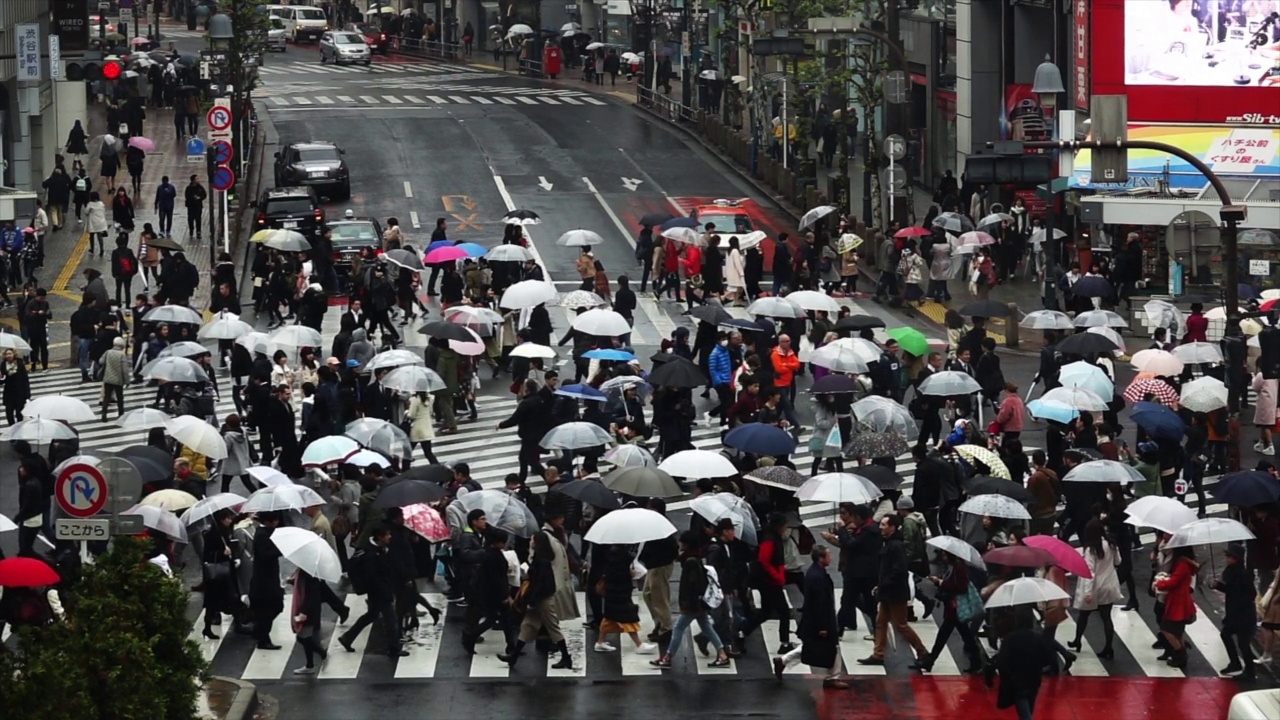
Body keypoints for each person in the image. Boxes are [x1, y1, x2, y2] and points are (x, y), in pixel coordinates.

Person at [650, 531, 731, 669]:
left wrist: (690, 605)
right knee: (707, 627)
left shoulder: (690, 562)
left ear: (686, 544)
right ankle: (722, 654)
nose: (679, 544)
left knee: (678, 628)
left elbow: (692, 585)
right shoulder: (693, 558)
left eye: (681, 542)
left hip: (693, 604)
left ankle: (668, 658)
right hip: (698, 604)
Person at [858, 514, 930, 668]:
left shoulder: (895, 546)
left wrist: (883, 584)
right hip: (888, 593)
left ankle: (922, 652)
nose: (880, 527)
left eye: (884, 525)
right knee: (880, 622)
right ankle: (878, 654)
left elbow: (899, 571)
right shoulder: (889, 543)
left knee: (901, 625)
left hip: (895, 594)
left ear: (892, 527)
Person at [771, 545, 846, 688]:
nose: (831, 558)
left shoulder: (815, 573)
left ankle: (783, 661)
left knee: (810, 647)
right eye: (828, 555)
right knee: (833, 646)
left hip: (816, 620)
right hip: (820, 620)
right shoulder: (817, 577)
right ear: (820, 558)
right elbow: (819, 603)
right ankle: (832, 678)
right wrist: (823, 626)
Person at [499, 530, 574, 669]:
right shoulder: (539, 559)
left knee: (553, 628)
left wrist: (532, 601)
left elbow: (541, 584)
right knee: (527, 626)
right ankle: (514, 656)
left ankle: (566, 657)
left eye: (532, 539)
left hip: (543, 600)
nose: (530, 542)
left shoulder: (543, 561)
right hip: (538, 599)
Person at [339, 524, 408, 658]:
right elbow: (373, 576)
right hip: (379, 592)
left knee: (371, 615)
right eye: (387, 534)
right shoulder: (372, 554)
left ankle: (347, 638)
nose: (390, 536)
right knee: (390, 619)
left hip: (378, 591)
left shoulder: (380, 549)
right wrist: (386, 590)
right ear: (379, 537)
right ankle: (393, 649)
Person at [984, 612, 1055, 720]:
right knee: (1029, 708)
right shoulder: (1036, 637)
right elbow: (1046, 657)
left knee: (1024, 711)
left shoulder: (1010, 639)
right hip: (1034, 679)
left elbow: (1002, 661)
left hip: (1017, 682)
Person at [1069, 518, 1122, 660]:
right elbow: (1118, 561)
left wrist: (1087, 592)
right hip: (1109, 583)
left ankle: (1077, 639)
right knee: (1106, 617)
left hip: (1094, 586)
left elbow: (1090, 572)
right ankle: (1108, 647)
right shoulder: (1111, 544)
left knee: (1084, 615)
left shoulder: (1091, 549)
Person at [1214, 543, 1257, 679]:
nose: (1227, 559)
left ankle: (1249, 671)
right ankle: (1235, 663)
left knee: (1243, 643)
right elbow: (1230, 590)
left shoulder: (1243, 574)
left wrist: (1239, 603)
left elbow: (1250, 594)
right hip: (1234, 612)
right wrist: (1218, 586)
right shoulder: (1231, 571)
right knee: (1226, 635)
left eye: (1229, 557)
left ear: (1237, 558)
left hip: (1243, 614)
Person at [200, 510, 245, 639]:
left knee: (234, 597)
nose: (230, 520)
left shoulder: (225, 532)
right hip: (216, 575)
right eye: (227, 518)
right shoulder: (211, 534)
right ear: (221, 519)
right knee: (213, 603)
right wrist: (221, 554)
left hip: (227, 570)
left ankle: (238, 623)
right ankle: (207, 628)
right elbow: (207, 555)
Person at [248, 511, 286, 650]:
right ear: (268, 521)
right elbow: (265, 555)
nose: (277, 523)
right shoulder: (262, 535)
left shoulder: (267, 533)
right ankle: (262, 636)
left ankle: (261, 633)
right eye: (275, 520)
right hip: (264, 582)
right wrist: (280, 549)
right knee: (271, 608)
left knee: (273, 608)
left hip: (269, 579)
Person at [99, 336, 130, 420]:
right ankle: (121, 414)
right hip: (118, 380)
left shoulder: (108, 352)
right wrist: (127, 381)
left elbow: (101, 361)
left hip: (108, 378)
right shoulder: (122, 354)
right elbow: (124, 370)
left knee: (106, 397)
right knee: (120, 397)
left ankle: (104, 414)